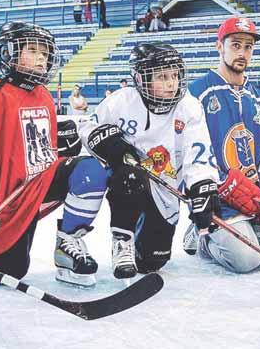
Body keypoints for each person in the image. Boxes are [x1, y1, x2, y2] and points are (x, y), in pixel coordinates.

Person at [79, 42, 220, 279]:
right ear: (141, 78)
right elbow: (87, 128)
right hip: (132, 180)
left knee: (151, 263)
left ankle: (179, 232)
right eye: (162, 76)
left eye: (174, 75)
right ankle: (122, 241)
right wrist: (107, 142)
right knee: (127, 174)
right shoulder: (120, 101)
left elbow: (198, 151)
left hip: (167, 189)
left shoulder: (189, 106)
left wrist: (202, 186)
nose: (170, 83)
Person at [0, 22, 108, 287]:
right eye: (32, 50)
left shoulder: (42, 94)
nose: (43, 57)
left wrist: (63, 149)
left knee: (91, 170)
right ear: (8, 53)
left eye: (45, 51)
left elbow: (42, 149)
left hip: (37, 185)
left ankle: (68, 243)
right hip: (3, 201)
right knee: (11, 270)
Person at [183, 16, 260, 273]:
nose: (242, 53)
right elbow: (187, 152)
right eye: (235, 45)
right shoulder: (196, 94)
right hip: (218, 198)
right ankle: (203, 236)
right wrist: (208, 189)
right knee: (245, 261)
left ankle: (246, 233)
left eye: (248, 47)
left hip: (254, 197)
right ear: (220, 47)